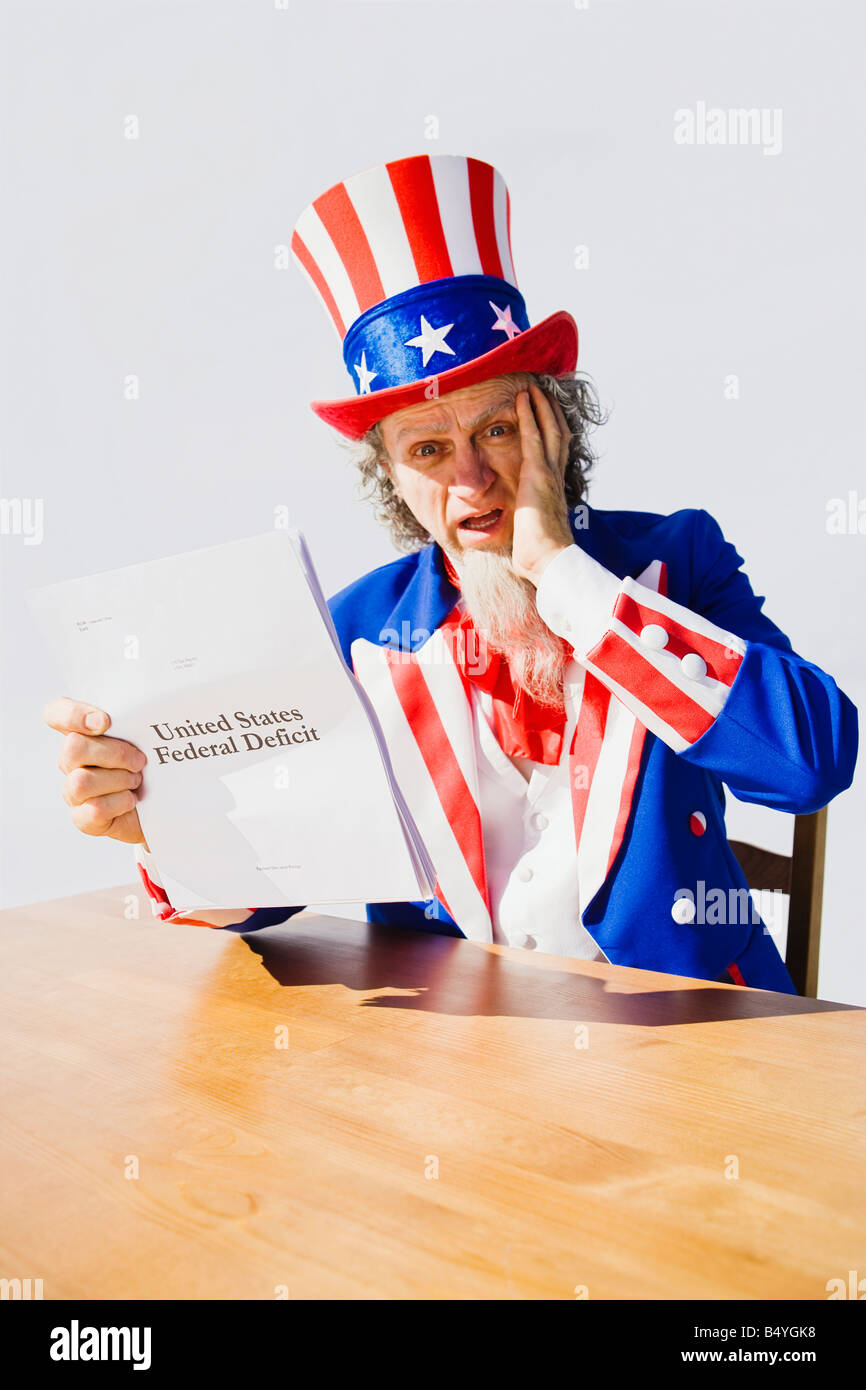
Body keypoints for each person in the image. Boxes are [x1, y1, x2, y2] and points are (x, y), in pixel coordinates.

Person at [43, 154, 858, 990]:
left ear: (556, 425)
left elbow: (813, 762)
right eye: (429, 449)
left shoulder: (678, 561)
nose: (471, 479)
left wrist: (564, 574)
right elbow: (271, 883)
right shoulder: (358, 630)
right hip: (463, 1074)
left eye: (498, 430)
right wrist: (161, 820)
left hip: (698, 1059)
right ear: (390, 477)